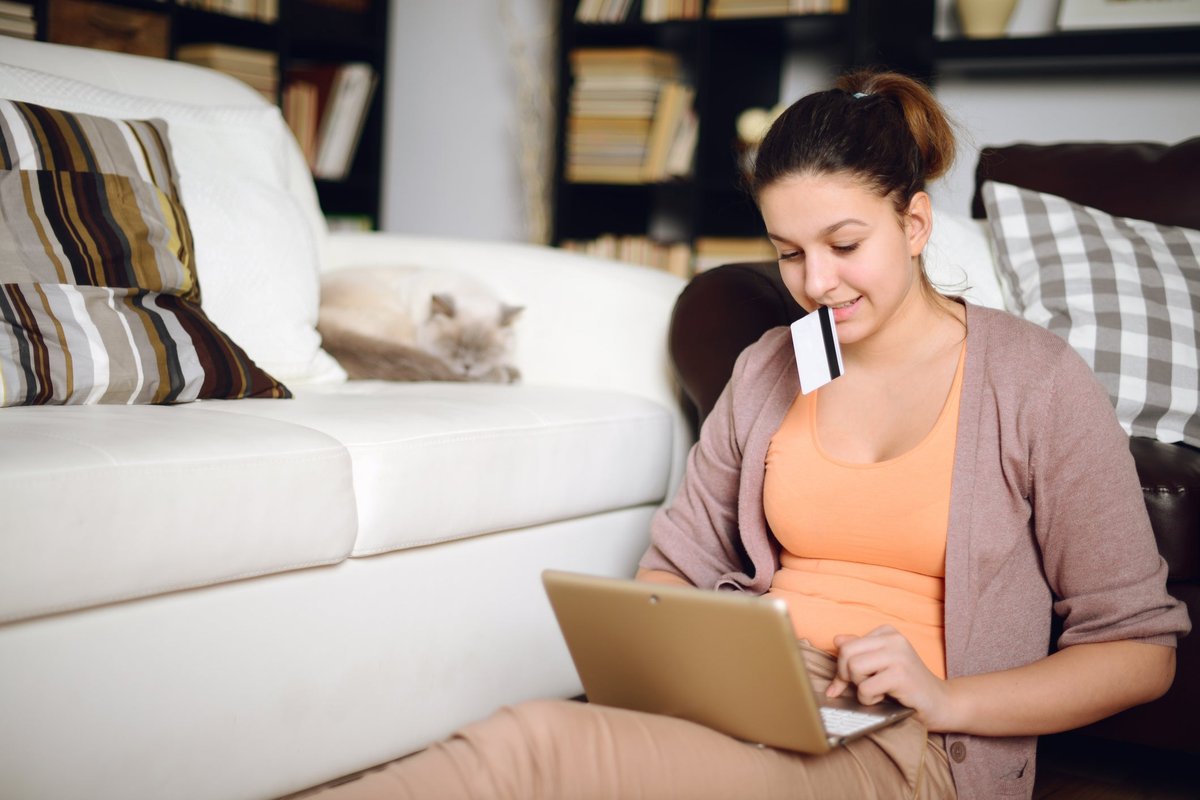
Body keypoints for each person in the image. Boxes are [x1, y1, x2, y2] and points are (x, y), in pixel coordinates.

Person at [316, 70, 1189, 800]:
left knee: (534, 749)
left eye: (846, 244)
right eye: (789, 252)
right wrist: (713, 661)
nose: (817, 283)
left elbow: (1137, 654)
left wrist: (946, 697)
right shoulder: (776, 365)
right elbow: (671, 570)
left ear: (915, 226)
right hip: (754, 703)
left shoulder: (1034, 380)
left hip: (909, 746)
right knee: (539, 750)